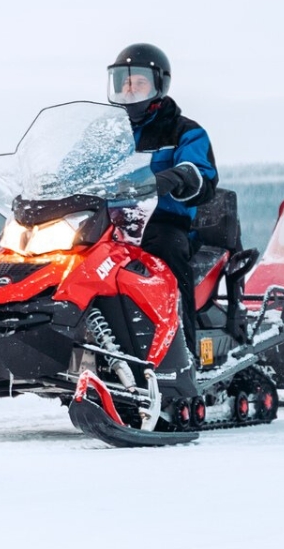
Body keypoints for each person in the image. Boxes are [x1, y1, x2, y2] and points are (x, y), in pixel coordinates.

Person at [108, 43, 217, 347]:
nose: (131, 89)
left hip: (160, 221)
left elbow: (202, 172)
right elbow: (77, 167)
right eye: (125, 81)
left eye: (139, 82)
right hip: (108, 225)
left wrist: (178, 175)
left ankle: (184, 351)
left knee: (165, 252)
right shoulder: (106, 135)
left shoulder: (184, 131)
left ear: (159, 84)